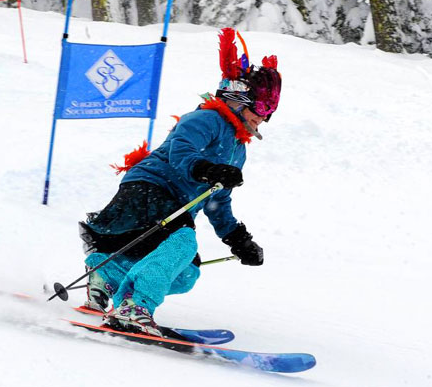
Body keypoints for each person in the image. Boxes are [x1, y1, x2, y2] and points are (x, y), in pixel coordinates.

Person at [78, 28, 281, 336]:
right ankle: (134, 305)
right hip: (150, 188)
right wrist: (208, 169)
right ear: (238, 98)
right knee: (183, 243)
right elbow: (180, 151)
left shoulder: (238, 149)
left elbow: (216, 201)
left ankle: (107, 276)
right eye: (263, 108)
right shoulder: (206, 120)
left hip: (171, 202)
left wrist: (238, 239)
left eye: (270, 112)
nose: (264, 118)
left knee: (187, 273)